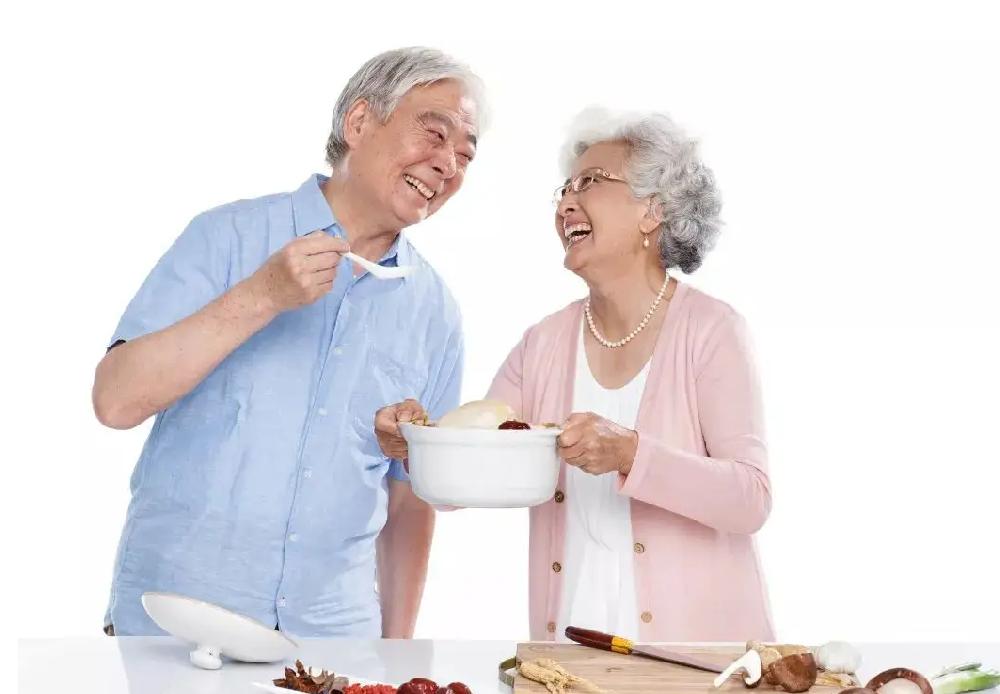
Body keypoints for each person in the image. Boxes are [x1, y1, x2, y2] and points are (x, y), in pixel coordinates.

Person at [93, 47, 483, 637]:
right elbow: (116, 400)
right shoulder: (226, 236)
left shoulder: (436, 310)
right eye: (434, 134)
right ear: (359, 123)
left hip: (333, 638)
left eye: (465, 154)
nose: (448, 164)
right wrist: (262, 295)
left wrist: (396, 651)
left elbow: (411, 500)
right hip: (178, 621)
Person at [376, 108, 774, 642]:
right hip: (568, 660)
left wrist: (632, 454)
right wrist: (415, 444)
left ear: (653, 210)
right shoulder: (543, 343)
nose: (565, 204)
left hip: (694, 666)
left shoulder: (712, 330)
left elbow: (750, 500)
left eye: (590, 183)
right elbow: (468, 477)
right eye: (564, 189)